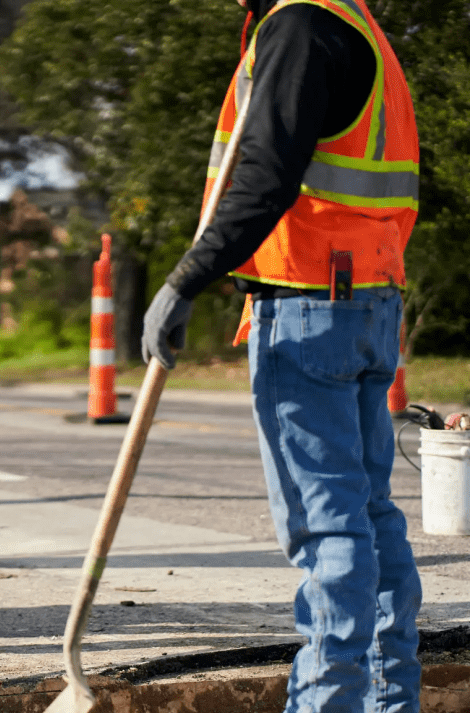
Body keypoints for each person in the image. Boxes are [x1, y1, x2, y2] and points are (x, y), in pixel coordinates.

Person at [142, 1, 421, 711]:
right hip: (367, 299)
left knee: (328, 523)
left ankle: (325, 700)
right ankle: (389, 698)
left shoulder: (298, 25)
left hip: (307, 306)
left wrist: (185, 279)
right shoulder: (356, 21)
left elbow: (267, 174)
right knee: (368, 514)